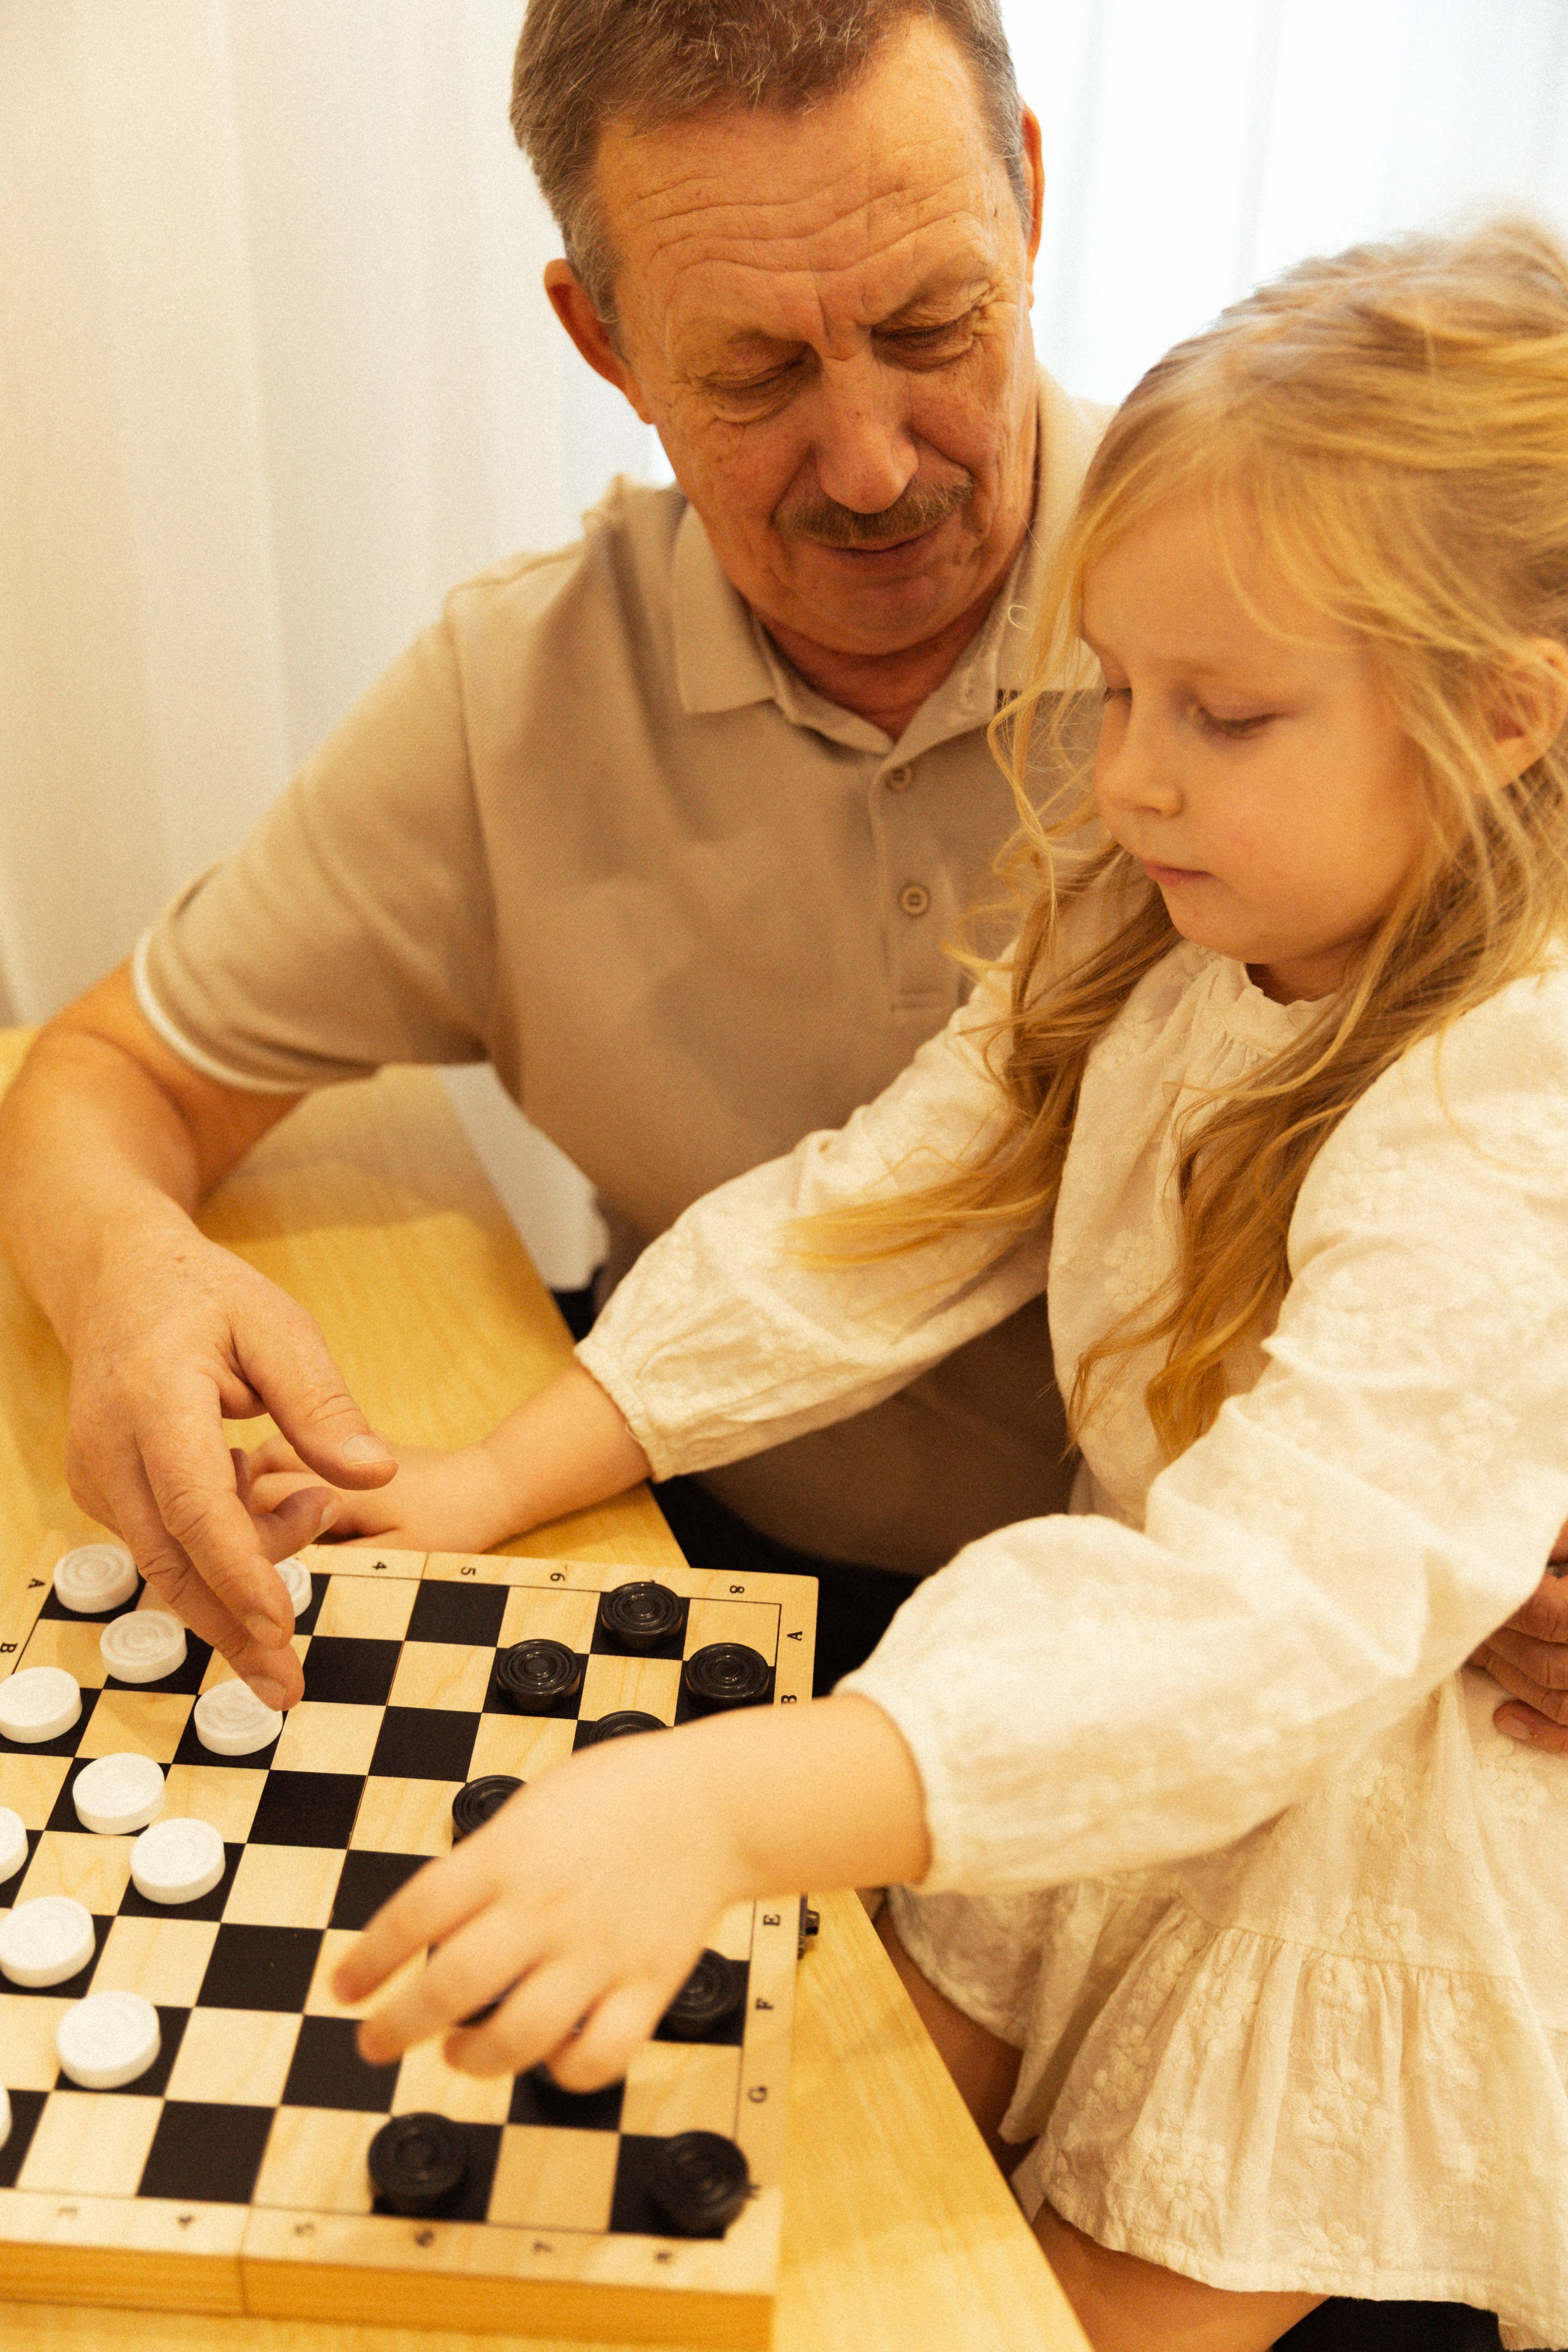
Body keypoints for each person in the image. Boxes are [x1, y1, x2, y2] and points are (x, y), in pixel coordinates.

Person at [273, 224, 1568, 2350]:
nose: (1129, 769)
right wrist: (502, 1468)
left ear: (1505, 718)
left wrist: (718, 1796)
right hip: (1111, 1700)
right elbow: (889, 1202)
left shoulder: (1510, 1097)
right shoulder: (1182, 908)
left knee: (1034, 2311)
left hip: (1367, 1819)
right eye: (1117, 688)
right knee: (822, 2148)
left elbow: (1284, 1622)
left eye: (1222, 715)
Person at [2, 4, 1563, 1762]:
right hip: (704, 1535)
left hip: (1262, 1651)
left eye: (929, 323)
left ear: (1030, 201)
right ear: (604, 340)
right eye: (753, 372)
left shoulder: (1326, 621)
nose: (876, 464)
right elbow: (107, 1069)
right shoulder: (509, 700)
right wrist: (129, 1278)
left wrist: (1480, 1466)